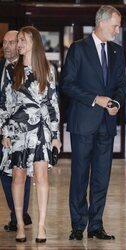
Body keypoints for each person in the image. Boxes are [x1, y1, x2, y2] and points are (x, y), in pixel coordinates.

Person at [61, 5, 126, 241]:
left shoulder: (118, 52)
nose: (118, 30)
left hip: (107, 126)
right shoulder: (78, 49)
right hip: (83, 122)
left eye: (118, 26)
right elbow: (67, 84)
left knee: (102, 177)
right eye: (115, 25)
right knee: (79, 175)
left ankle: (96, 225)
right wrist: (95, 100)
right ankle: (78, 225)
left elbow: (122, 85)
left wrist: (117, 104)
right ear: (101, 23)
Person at [0, 26, 61, 243]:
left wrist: (55, 134)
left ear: (33, 41)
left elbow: (52, 103)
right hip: (17, 131)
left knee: (42, 176)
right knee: (18, 176)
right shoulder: (11, 70)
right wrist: (4, 131)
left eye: (22, 40)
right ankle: (20, 225)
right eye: (18, 40)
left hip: (41, 130)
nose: (19, 44)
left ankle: (41, 227)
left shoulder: (47, 69)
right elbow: (5, 103)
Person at [0, 30, 32, 232]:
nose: (7, 46)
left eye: (12, 42)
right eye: (4, 43)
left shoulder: (26, 69)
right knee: (5, 173)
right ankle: (18, 213)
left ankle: (19, 215)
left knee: (21, 172)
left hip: (18, 131)